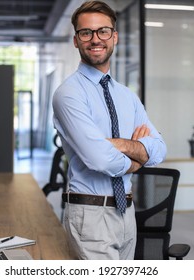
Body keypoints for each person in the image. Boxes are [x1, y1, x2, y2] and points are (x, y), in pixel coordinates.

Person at [52, 0, 167, 260]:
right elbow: (98, 158)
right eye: (86, 33)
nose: (95, 39)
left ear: (114, 36)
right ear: (76, 40)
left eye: (103, 31)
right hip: (90, 215)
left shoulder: (128, 96)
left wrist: (119, 144)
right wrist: (137, 160)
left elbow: (159, 149)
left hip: (126, 212)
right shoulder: (69, 94)